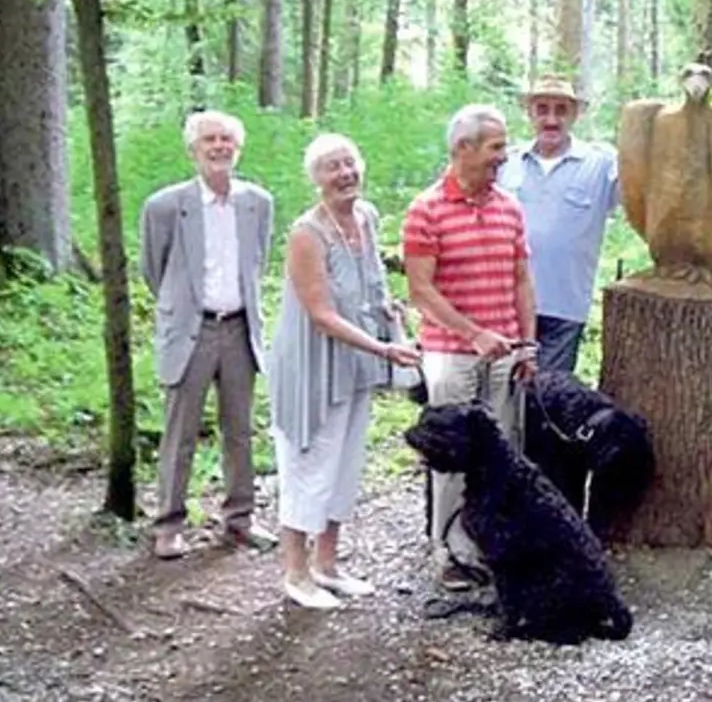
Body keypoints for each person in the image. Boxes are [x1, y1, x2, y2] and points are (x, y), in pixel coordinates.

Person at [268, 134, 421, 608]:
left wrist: (395, 318)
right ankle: (295, 573)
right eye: (332, 167)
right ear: (316, 178)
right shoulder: (306, 233)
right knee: (308, 463)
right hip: (312, 365)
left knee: (345, 464)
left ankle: (327, 565)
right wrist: (382, 347)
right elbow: (321, 313)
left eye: (350, 163)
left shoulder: (368, 217)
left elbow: (369, 285)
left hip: (358, 361)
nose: (344, 174)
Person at [403, 104, 539, 592]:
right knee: (454, 456)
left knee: (502, 453)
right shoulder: (426, 209)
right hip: (451, 354)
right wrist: (473, 333)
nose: (504, 156)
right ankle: (450, 552)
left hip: (505, 355)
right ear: (462, 148)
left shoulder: (509, 206)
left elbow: (521, 279)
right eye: (496, 146)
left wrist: (527, 345)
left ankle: (491, 545)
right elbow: (421, 291)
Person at [140, 110, 275, 560]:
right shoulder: (165, 206)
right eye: (209, 140)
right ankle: (168, 524)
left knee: (239, 430)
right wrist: (183, 308)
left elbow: (259, 262)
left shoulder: (258, 202)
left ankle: (239, 521)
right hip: (192, 330)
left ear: (238, 147)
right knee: (180, 431)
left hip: (239, 328)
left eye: (226, 140)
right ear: (193, 149)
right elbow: (153, 270)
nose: (218, 147)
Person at [496, 74, 619, 374]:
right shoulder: (505, 163)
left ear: (575, 114)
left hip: (565, 305)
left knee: (548, 398)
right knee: (500, 397)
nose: (551, 119)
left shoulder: (601, 163)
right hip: (504, 303)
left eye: (561, 110)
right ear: (530, 113)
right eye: (542, 109)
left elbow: (644, 199)